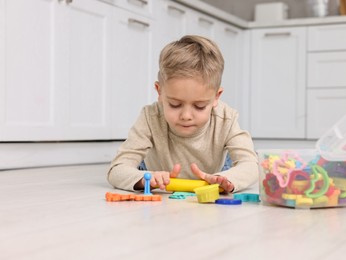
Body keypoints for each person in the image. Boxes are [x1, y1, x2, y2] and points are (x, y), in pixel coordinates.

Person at [107, 35, 258, 193]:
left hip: (215, 170)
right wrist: (147, 179)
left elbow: (251, 165)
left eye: (199, 106)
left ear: (216, 97)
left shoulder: (226, 118)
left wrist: (227, 180)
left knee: (232, 167)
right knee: (138, 169)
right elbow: (117, 169)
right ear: (159, 92)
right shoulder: (150, 117)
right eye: (175, 104)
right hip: (153, 168)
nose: (186, 115)